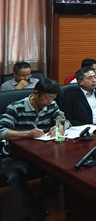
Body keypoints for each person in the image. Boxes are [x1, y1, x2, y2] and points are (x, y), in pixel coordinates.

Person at [0, 78, 66, 220]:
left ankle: (39, 197)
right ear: (36, 93)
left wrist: (60, 125)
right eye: (47, 98)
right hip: (16, 155)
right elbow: (1, 132)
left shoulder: (51, 105)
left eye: (53, 98)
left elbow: (63, 119)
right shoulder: (15, 107)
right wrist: (27, 134)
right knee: (15, 176)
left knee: (64, 171)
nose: (50, 101)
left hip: (42, 153)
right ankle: (28, 214)